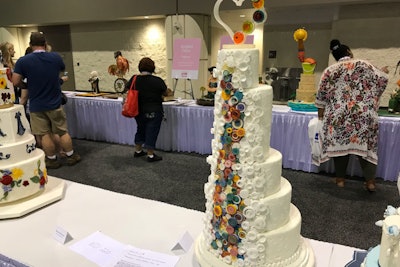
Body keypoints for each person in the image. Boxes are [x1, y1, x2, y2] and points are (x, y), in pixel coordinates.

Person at [315, 39, 389, 192]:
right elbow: (381, 80)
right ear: (348, 52)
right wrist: (384, 71)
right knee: (366, 149)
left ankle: (340, 180)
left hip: (338, 116)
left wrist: (320, 115)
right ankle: (370, 183)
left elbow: (321, 95)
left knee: (340, 147)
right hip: (364, 115)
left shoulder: (330, 70)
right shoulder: (364, 64)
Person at [12, 32, 80, 169]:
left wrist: (25, 86)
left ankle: (51, 159)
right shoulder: (55, 57)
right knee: (62, 131)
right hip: (55, 102)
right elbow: (61, 70)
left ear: (30, 45)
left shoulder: (23, 61)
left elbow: (15, 81)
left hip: (37, 105)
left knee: (44, 134)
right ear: (45, 44)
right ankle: (71, 155)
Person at [127, 57, 172, 162]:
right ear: (153, 67)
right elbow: (166, 93)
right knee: (152, 131)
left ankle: (138, 151)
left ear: (140, 67)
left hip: (138, 110)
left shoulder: (134, 78)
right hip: (154, 110)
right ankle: (150, 155)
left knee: (140, 129)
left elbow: (127, 88)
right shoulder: (157, 81)